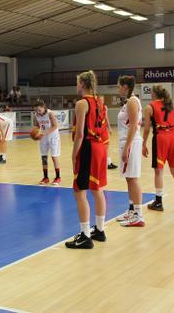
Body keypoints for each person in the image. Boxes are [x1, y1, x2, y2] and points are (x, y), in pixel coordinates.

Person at [65, 71, 107, 250]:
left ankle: (85, 236)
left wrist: (74, 154)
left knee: (79, 191)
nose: (76, 86)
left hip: (88, 148)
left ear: (82, 84)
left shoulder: (82, 103)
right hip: (100, 147)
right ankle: (100, 229)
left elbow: (80, 133)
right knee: (97, 189)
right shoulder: (100, 102)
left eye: (77, 83)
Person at [142, 85, 174, 213]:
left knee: (159, 171)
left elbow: (146, 129)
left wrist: (143, 143)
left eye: (151, 92)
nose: (150, 94)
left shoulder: (149, 107)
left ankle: (158, 201)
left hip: (161, 138)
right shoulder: (170, 105)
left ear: (154, 94)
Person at [115, 76, 145, 227]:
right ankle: (132, 210)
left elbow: (133, 126)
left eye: (119, 86)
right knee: (129, 178)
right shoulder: (128, 101)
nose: (117, 88)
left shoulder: (133, 101)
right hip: (127, 141)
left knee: (133, 178)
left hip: (131, 141)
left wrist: (127, 147)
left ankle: (139, 215)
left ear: (125, 87)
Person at [34, 101, 61, 186]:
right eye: (36, 110)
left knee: (54, 157)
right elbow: (37, 126)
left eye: (39, 110)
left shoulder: (50, 114)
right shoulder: (36, 115)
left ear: (43, 107)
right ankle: (46, 177)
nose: (38, 112)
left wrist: (44, 133)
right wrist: (36, 133)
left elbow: (55, 126)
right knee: (44, 157)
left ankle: (58, 177)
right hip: (44, 138)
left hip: (53, 137)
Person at [100, 96, 117, 170]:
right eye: (100, 100)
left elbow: (106, 117)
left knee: (106, 146)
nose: (102, 101)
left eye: (103, 100)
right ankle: (107, 163)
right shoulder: (96, 108)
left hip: (104, 129)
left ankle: (108, 162)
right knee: (102, 147)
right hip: (98, 129)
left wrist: (109, 127)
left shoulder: (105, 107)